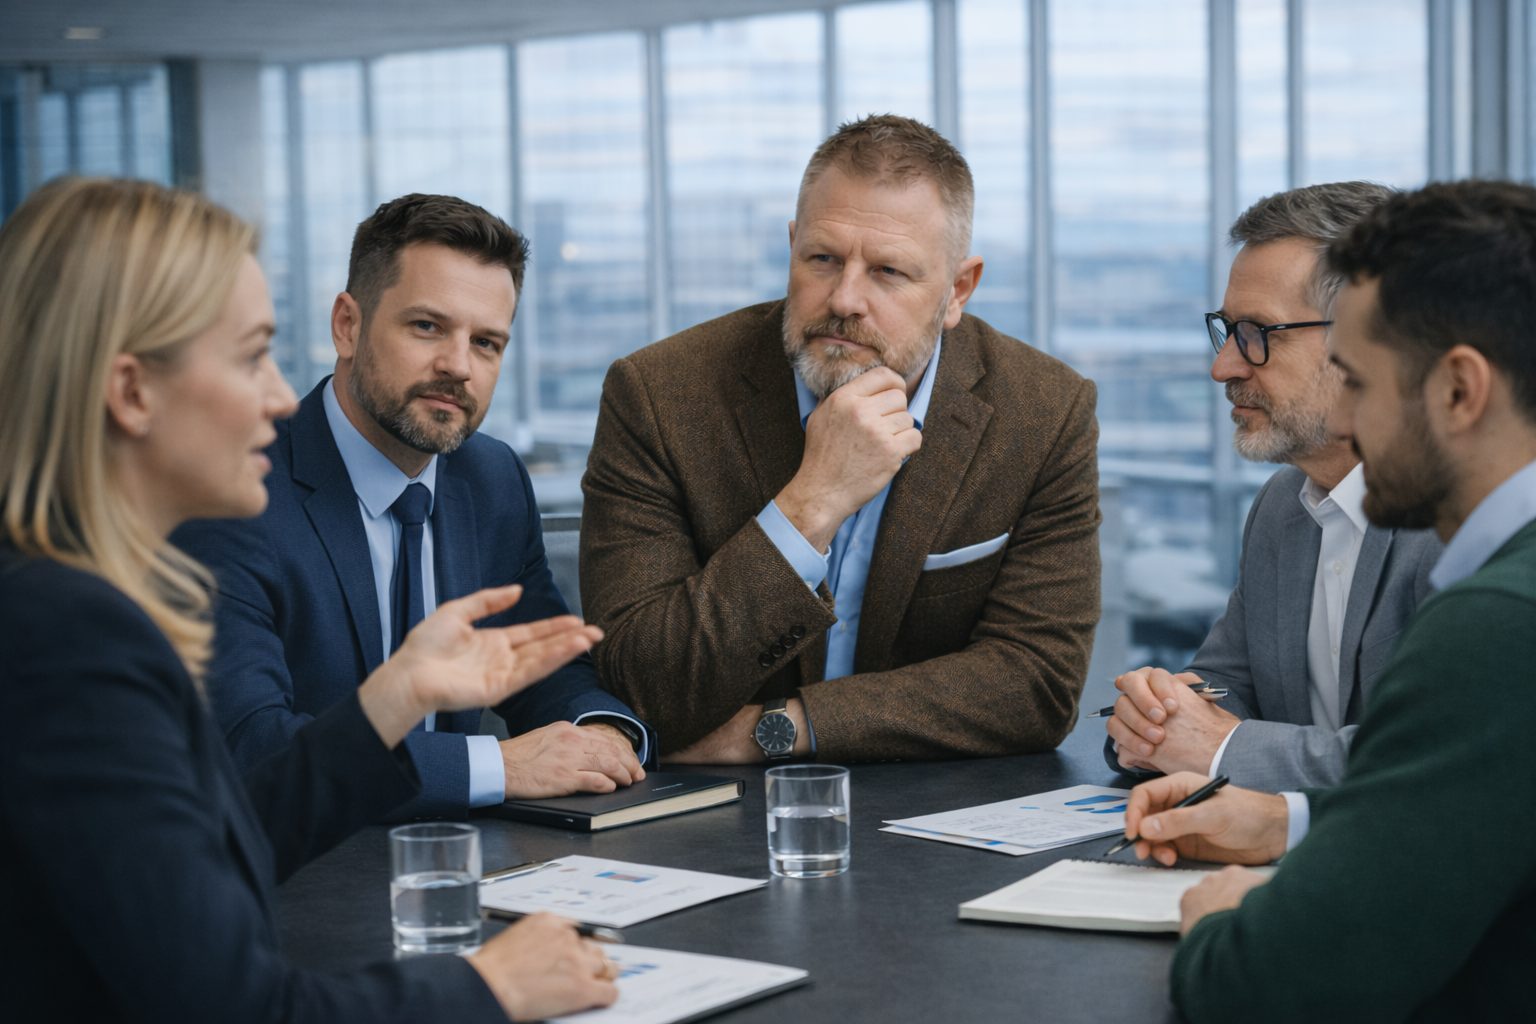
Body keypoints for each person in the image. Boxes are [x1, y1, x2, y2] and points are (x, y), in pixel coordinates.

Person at [0, 178, 618, 1021]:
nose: (276, 395)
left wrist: (393, 700)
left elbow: (216, 845)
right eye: (250, 354)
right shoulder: (70, 633)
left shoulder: (68, 597)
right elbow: (234, 1007)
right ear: (133, 391)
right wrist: (489, 987)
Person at [1120, 180, 1536, 1022]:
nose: (1351, 408)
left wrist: (1221, 926)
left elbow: (1271, 983)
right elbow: (1462, 814)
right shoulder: (1294, 513)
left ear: (1459, 390)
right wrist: (1287, 822)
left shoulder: (1499, 620)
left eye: (1362, 374)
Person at [580, 115, 1100, 763]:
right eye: (822, 259)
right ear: (792, 245)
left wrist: (782, 729)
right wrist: (809, 506)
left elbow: (1036, 682)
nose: (845, 299)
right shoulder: (658, 394)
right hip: (708, 819)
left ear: (957, 290)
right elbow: (641, 681)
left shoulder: (1044, 410)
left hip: (933, 808)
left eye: (888, 271)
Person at [174, 194, 654, 820]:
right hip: (307, 880)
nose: (459, 366)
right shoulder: (238, 493)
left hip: (464, 869)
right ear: (347, 325)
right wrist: (499, 766)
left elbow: (542, 667)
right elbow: (252, 748)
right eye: (427, 326)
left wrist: (603, 735)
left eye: (487, 342)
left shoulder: (492, 478)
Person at [1105, 183, 1442, 791]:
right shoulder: (1283, 505)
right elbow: (1223, 688)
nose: (1224, 367)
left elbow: (1436, 760)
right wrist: (1153, 715)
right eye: (1227, 330)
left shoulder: (1464, 521)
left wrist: (1219, 746)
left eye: (1259, 332)